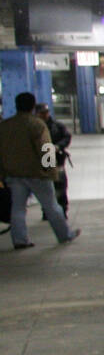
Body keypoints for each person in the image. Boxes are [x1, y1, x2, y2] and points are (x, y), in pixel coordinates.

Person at [0, 92, 80, 248]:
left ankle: (20, 240)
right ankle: (65, 235)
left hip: (14, 174)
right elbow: (46, 148)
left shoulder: (5, 126)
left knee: (17, 208)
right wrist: (51, 171)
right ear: (32, 107)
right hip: (37, 174)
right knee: (51, 206)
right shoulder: (37, 124)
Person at [34, 103, 71, 217]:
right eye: (42, 113)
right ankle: (46, 211)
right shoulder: (34, 127)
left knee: (60, 185)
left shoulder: (57, 126)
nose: (45, 115)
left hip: (56, 159)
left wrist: (58, 147)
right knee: (45, 186)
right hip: (41, 161)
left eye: (46, 113)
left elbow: (66, 137)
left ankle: (62, 209)